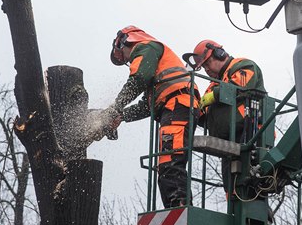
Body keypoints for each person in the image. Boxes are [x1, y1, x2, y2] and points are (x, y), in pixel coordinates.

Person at [107, 26, 198, 208]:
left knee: (170, 161)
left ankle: (179, 208)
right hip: (175, 106)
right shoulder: (156, 64)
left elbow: (139, 78)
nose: (127, 60)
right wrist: (121, 116)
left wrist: (114, 107)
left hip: (177, 105)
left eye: (123, 55)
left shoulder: (146, 47)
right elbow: (147, 106)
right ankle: (176, 208)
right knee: (166, 163)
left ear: (124, 41)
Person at [182, 40, 266, 192]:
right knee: (231, 188)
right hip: (228, 143)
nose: (206, 69)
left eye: (207, 63)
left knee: (250, 188)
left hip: (252, 135)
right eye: (204, 67)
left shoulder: (243, 66)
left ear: (219, 54)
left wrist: (214, 96)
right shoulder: (213, 85)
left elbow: (241, 86)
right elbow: (206, 116)